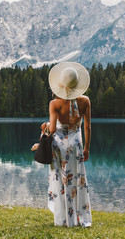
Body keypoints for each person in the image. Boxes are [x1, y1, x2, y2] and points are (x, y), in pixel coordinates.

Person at [43, 62, 92, 227]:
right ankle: (78, 217)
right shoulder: (85, 101)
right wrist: (86, 148)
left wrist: (44, 127)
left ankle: (63, 218)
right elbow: (87, 126)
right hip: (76, 144)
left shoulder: (55, 104)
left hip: (60, 146)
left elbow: (51, 129)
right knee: (77, 179)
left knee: (61, 180)